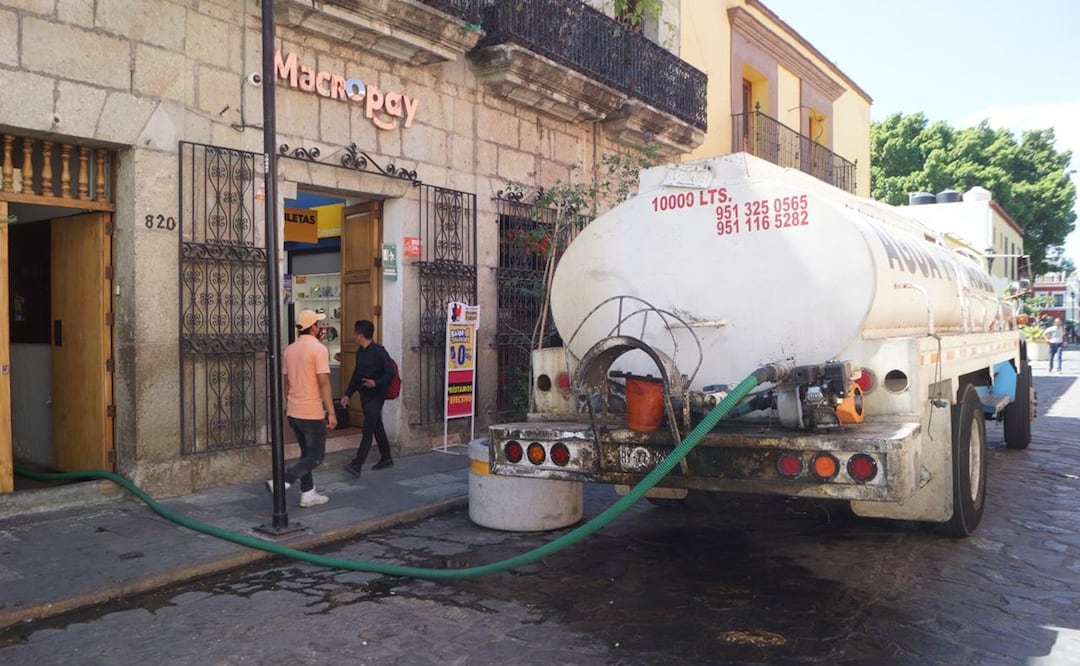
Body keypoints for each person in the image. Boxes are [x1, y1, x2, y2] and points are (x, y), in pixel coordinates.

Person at [266, 309, 337, 507]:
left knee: (306, 453)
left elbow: (286, 382)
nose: (320, 327)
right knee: (316, 456)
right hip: (311, 411)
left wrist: (287, 404)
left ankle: (308, 493)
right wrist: (331, 412)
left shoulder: (290, 350)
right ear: (313, 327)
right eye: (318, 324)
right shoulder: (318, 349)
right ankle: (284, 480)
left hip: (294, 410)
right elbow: (324, 382)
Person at [342, 319, 395, 477]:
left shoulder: (379, 352)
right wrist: (347, 394)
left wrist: (376, 383)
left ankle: (357, 464)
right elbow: (356, 375)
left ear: (361, 335)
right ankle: (386, 458)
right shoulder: (360, 352)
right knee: (377, 426)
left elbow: (390, 373)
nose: (353, 336)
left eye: (355, 333)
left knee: (368, 429)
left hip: (377, 396)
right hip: (364, 396)